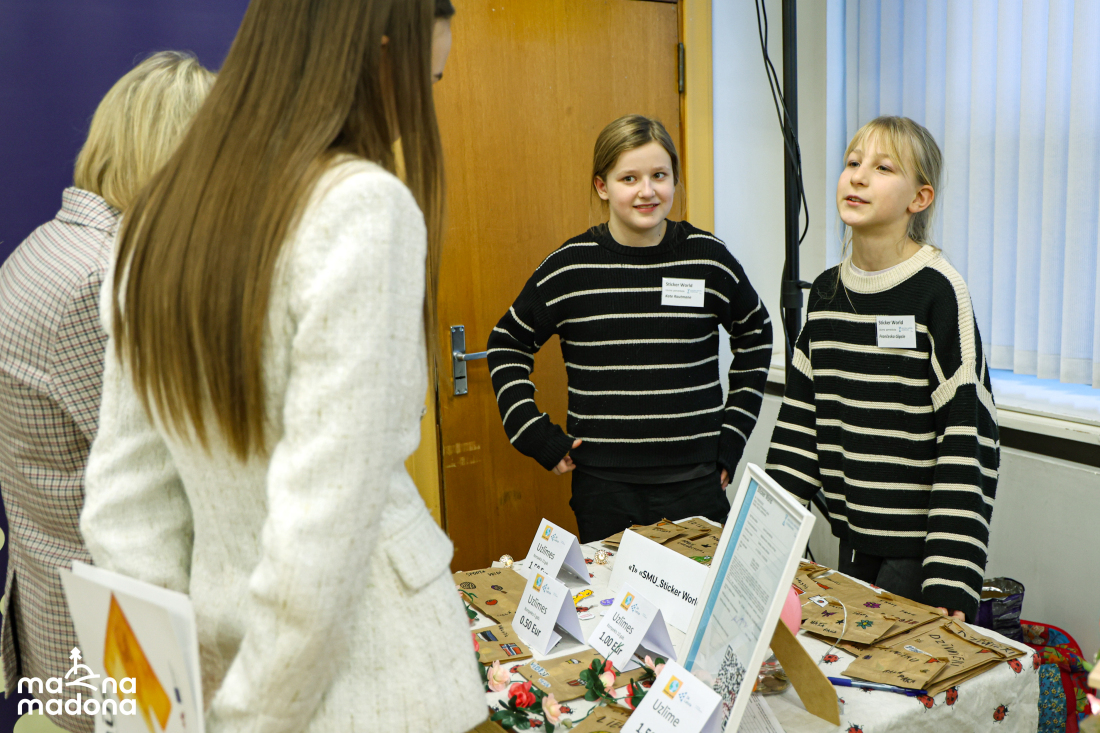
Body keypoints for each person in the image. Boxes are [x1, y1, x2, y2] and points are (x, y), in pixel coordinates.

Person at [80, 1, 484, 731]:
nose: (418, 114)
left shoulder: (156, 221)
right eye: (425, 81)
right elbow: (321, 536)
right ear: (379, 56)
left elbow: (124, 512)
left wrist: (161, 708)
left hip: (223, 663)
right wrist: (247, 721)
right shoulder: (360, 207)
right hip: (371, 680)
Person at [0, 51, 214, 731]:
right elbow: (164, 482)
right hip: (119, 642)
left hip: (63, 610)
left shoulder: (49, 247)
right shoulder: (104, 280)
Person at [486, 115, 773, 543]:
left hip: (696, 482)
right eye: (629, 178)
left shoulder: (707, 258)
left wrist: (733, 437)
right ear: (602, 186)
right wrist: (531, 432)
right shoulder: (570, 267)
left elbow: (756, 334)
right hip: (605, 489)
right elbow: (506, 344)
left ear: (674, 179)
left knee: (699, 588)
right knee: (611, 588)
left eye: (659, 175)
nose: (647, 191)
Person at [764, 115, 999, 622]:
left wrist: (951, 577)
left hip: (919, 556)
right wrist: (762, 544)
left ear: (920, 198)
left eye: (883, 168)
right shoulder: (826, 293)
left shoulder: (939, 291)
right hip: (852, 541)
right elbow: (799, 426)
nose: (859, 176)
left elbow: (968, 437)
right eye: (853, 163)